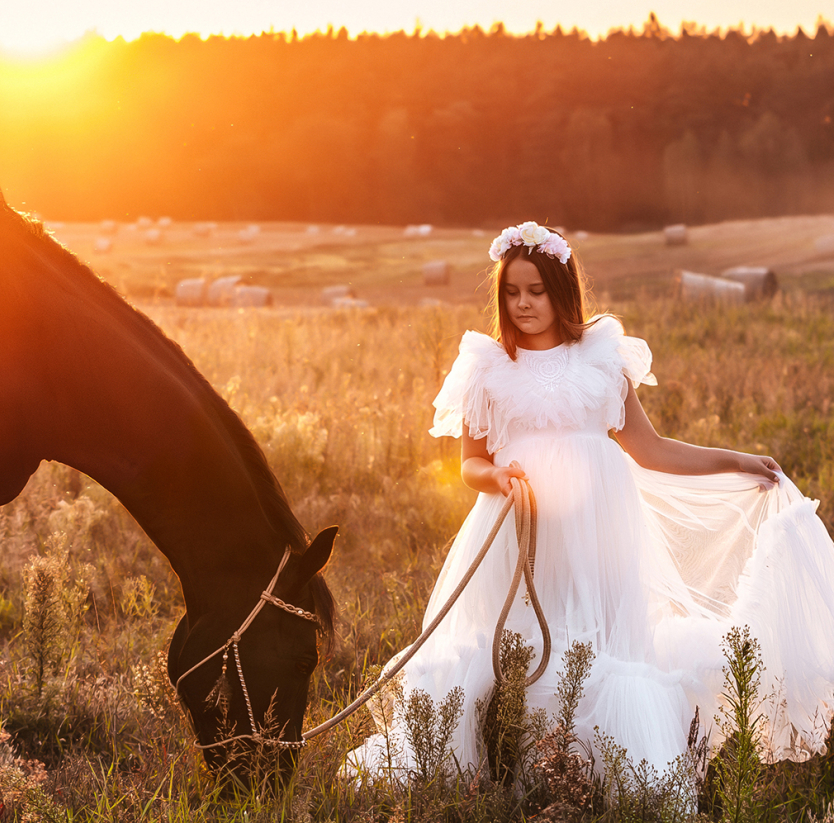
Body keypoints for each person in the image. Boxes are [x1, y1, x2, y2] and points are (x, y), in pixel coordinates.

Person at [345, 222, 834, 779]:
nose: (523, 303)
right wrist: (498, 475)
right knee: (519, 639)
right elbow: (469, 464)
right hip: (520, 527)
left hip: (599, 529)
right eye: (512, 292)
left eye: (536, 291)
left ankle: (601, 767)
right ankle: (516, 764)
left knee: (600, 641)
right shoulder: (488, 367)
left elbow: (651, 449)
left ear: (561, 291)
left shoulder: (601, 358)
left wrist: (737, 460)